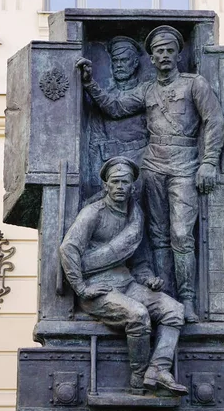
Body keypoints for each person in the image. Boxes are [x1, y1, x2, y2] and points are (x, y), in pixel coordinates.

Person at [76, 26, 224, 324]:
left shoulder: (194, 84)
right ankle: (167, 296)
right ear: (152, 58)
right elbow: (115, 107)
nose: (165, 56)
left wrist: (209, 162)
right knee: (157, 237)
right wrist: (91, 83)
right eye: (159, 51)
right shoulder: (147, 90)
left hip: (185, 165)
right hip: (153, 165)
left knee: (182, 236)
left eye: (170, 50)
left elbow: (214, 121)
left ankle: (187, 300)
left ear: (178, 54)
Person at [60, 156, 187, 396]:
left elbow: (138, 262)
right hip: (99, 290)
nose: (120, 187)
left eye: (125, 182)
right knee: (137, 314)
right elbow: (68, 249)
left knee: (174, 311)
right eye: (115, 182)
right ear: (106, 185)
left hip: (128, 284)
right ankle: (138, 377)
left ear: (132, 187)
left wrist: (148, 279)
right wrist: (81, 288)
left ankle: (158, 369)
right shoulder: (92, 213)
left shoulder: (135, 216)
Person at [88, 36, 148, 193]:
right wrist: (96, 176)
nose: (119, 65)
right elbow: (96, 139)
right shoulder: (103, 98)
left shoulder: (146, 92)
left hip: (142, 159)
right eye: (115, 61)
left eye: (124, 60)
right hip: (111, 163)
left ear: (135, 63)